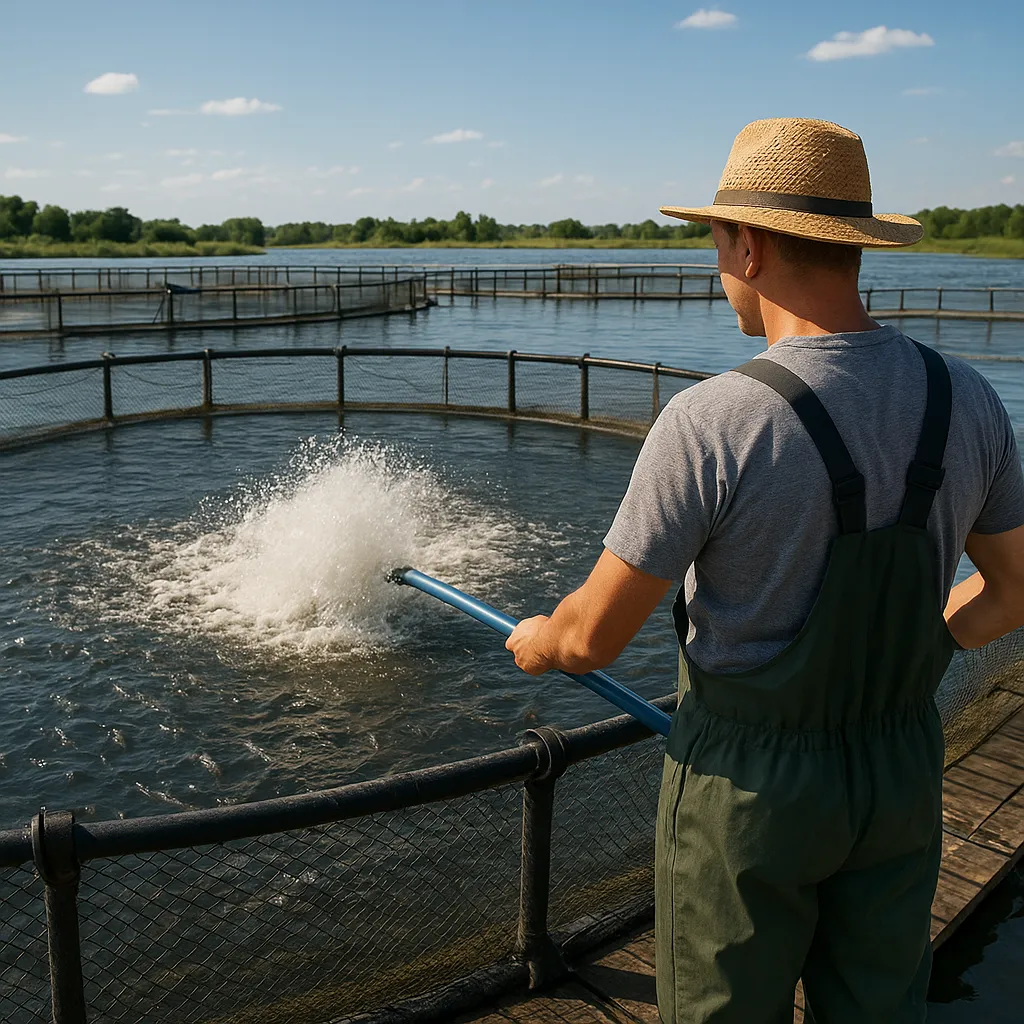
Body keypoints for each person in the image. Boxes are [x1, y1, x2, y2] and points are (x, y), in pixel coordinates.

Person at [505, 118, 1024, 1023]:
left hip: (748, 793)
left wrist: (540, 640)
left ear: (748, 246)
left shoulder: (713, 421)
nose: (718, 268)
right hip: (899, 766)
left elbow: (592, 639)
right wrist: (922, 646)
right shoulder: (968, 397)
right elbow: (1015, 590)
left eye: (716, 243)